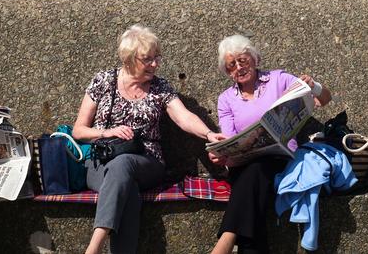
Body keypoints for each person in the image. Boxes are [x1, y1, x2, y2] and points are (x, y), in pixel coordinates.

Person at [71, 24, 225, 254]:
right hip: (100, 163)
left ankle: (93, 247)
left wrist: (209, 134)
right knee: (127, 189)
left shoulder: (160, 87)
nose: (155, 64)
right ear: (128, 59)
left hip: (147, 162)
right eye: (147, 59)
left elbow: (183, 116)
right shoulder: (103, 81)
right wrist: (106, 132)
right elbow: (78, 130)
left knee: (123, 165)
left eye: (157, 57)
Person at [208, 34, 331, 254]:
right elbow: (229, 138)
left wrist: (315, 86)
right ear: (227, 72)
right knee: (252, 175)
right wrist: (222, 154)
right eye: (231, 65)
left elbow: (324, 99)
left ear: (254, 59)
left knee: (254, 175)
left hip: (280, 159)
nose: (239, 68)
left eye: (242, 60)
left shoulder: (279, 79)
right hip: (245, 165)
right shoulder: (226, 99)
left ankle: (225, 241)